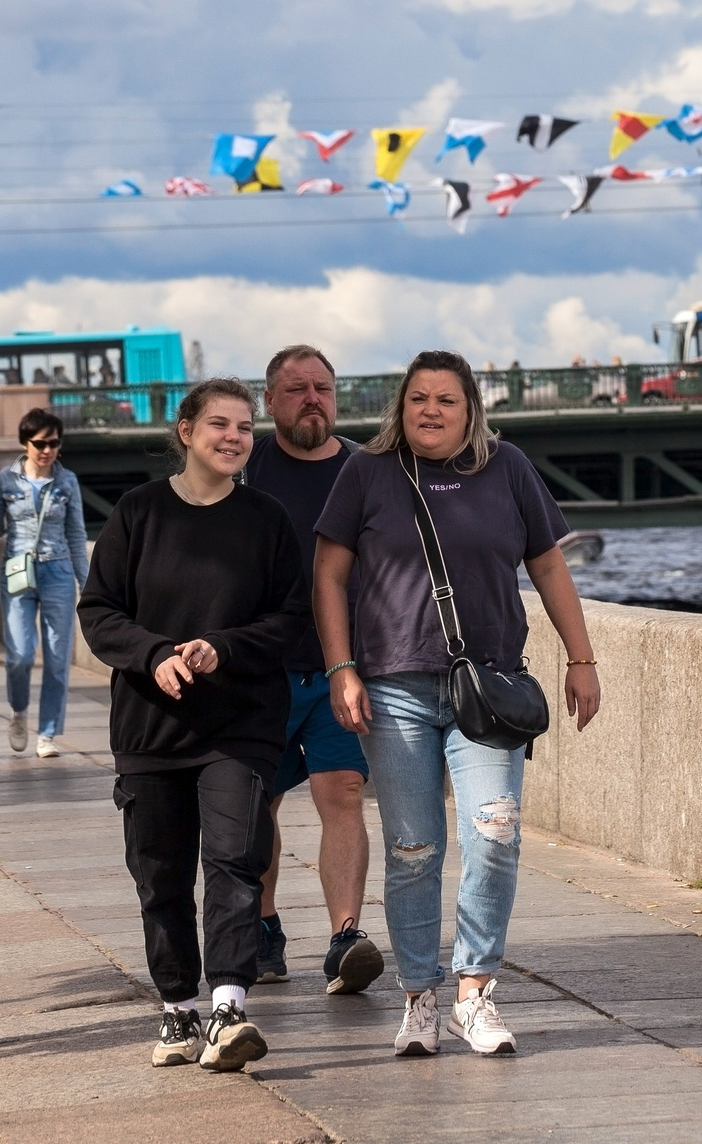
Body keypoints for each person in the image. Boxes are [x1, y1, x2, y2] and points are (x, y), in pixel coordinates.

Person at [313, 349, 602, 1058]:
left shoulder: (507, 468)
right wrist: (341, 668)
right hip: (394, 687)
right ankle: (419, 997)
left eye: (446, 399)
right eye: (418, 399)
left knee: (494, 835)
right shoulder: (368, 473)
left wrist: (582, 657)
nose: (431, 411)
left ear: (471, 408)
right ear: (399, 407)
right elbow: (328, 573)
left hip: (488, 689)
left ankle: (475, 991)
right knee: (414, 850)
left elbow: (549, 565)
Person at [78, 378, 305, 1075]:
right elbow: (99, 612)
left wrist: (221, 647)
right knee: (161, 876)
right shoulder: (138, 514)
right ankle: (178, 1005)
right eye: (219, 424)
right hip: (150, 729)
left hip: (240, 724)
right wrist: (153, 656)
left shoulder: (266, 519)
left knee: (234, 858)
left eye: (245, 427)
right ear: (185, 432)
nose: (234, 437)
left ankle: (230, 1005)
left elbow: (291, 620)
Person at [243, 344, 380, 995]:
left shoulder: (364, 469)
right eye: (296, 389)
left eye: (322, 388)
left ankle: (344, 937)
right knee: (255, 803)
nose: (311, 400)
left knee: (342, 792)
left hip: (340, 671)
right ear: (269, 401)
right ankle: (264, 925)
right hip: (259, 674)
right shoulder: (245, 466)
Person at [0, 409, 89, 759]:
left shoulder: (67, 481)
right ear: (25, 443)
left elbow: (76, 534)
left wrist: (89, 584)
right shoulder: (6, 482)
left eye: (54, 443)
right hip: (17, 571)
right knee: (20, 655)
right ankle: (19, 711)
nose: (47, 450)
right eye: (40, 443)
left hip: (58, 572)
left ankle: (48, 733)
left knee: (57, 658)